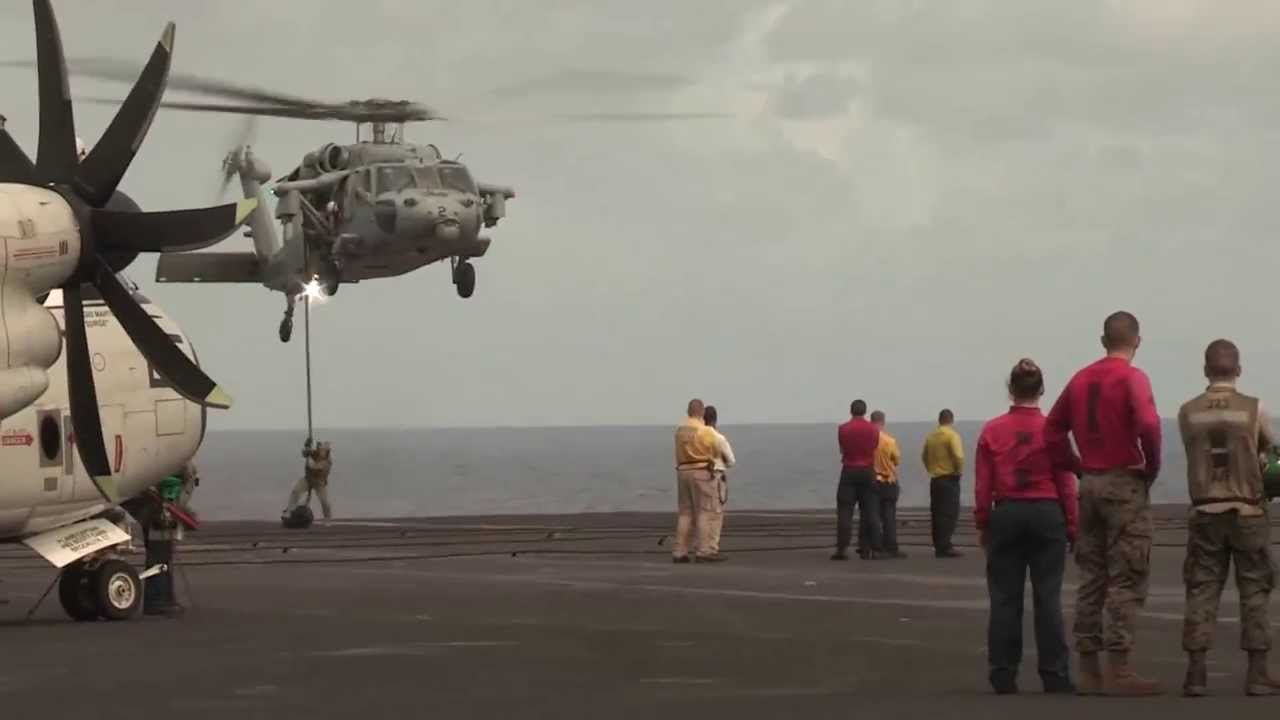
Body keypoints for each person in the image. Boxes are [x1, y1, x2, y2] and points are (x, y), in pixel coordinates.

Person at [1044, 310, 1163, 696]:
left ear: (1102, 341)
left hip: (1090, 481)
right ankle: (1120, 666)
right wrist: (1151, 465)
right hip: (1123, 479)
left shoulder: (1080, 378)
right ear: (1137, 341)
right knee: (1127, 574)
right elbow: (1148, 424)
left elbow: (1052, 429)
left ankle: (1089, 667)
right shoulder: (1132, 377)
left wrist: (1074, 465)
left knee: (1091, 577)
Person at [1177, 339, 1280, 696]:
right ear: (1238, 370)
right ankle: (1257, 673)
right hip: (1247, 509)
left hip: (1205, 509)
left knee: (1202, 588)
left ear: (1206, 370)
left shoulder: (1188, 412)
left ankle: (1196, 674)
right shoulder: (1253, 409)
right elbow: (1270, 450)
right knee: (1255, 590)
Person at [975, 359, 1077, 695]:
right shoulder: (1053, 430)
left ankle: (1003, 672)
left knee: (1005, 597)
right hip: (1047, 512)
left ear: (1011, 389)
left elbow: (983, 485)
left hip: (1008, 511)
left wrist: (983, 521)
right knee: (1048, 596)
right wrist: (1073, 524)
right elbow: (1066, 481)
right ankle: (1055, 673)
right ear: (1041, 390)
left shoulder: (992, 430)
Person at [673, 399, 725, 563]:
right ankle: (703, 551)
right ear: (702, 412)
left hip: (682, 471)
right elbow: (716, 453)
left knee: (685, 513)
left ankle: (679, 551)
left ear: (688, 412)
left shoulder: (679, 430)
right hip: (701, 471)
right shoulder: (705, 431)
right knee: (704, 512)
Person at [834, 400, 880, 561]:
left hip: (849, 470)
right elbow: (874, 447)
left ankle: (842, 549)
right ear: (865, 411)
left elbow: (842, 449)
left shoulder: (843, 429)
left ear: (851, 411)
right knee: (870, 511)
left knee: (845, 511)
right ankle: (872, 548)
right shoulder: (873, 429)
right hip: (867, 470)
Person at [922, 409, 964, 558]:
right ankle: (945, 545)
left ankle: (939, 544)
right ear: (951, 420)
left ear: (939, 420)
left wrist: (931, 469)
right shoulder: (952, 435)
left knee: (937, 513)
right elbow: (958, 456)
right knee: (949, 513)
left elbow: (924, 456)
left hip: (935, 479)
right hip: (949, 478)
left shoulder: (931, 436)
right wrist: (959, 471)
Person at [703, 405, 736, 559]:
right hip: (715, 476)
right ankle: (711, 548)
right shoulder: (718, 438)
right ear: (715, 419)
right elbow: (731, 461)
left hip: (699, 476)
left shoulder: (697, 437)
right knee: (715, 514)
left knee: (700, 513)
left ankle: (699, 546)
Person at [871, 410, 905, 559]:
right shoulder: (890, 441)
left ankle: (876, 547)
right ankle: (891, 547)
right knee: (889, 517)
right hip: (888, 481)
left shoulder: (867, 441)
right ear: (883, 422)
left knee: (873, 516)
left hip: (872, 481)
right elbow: (896, 460)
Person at [286, 439, 334, 523]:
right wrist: (306, 447)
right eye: (321, 449)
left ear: (327, 451)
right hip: (308, 479)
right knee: (295, 491)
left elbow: (314, 467)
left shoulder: (328, 461)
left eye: (324, 450)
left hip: (319, 483)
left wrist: (308, 457)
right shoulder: (316, 452)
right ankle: (290, 510)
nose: (322, 452)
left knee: (324, 501)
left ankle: (327, 518)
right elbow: (304, 453)